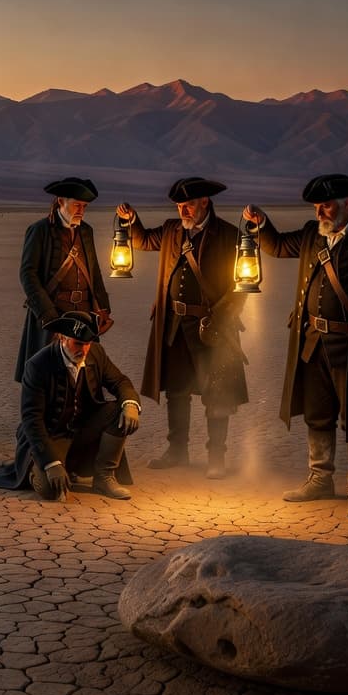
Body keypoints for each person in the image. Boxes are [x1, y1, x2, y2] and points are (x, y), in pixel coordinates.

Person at [242, 174, 348, 518]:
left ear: (347, 203)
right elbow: (277, 246)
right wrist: (262, 223)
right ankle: (320, 478)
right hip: (312, 340)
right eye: (316, 206)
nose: (320, 212)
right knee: (318, 413)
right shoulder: (311, 234)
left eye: (326, 205)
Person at [116, 177, 246, 479]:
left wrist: (220, 318)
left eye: (188, 204)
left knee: (217, 393)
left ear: (204, 202)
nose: (182, 210)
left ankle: (216, 456)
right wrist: (131, 221)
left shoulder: (228, 235)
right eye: (179, 205)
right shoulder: (172, 229)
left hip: (212, 328)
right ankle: (178, 451)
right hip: (173, 325)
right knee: (177, 391)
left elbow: (243, 284)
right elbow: (144, 240)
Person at [0, 311, 140, 501]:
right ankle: (39, 470)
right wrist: (50, 463)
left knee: (119, 409)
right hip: (51, 435)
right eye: (78, 343)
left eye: (88, 343)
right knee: (51, 490)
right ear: (61, 338)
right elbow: (31, 420)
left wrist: (130, 404)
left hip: (83, 429)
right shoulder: (38, 365)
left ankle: (104, 477)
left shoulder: (96, 353)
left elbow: (120, 381)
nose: (83, 350)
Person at [14, 177, 113, 382]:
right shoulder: (40, 230)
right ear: (61, 201)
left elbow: (94, 273)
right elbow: (28, 274)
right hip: (54, 312)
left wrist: (103, 307)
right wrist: (47, 313)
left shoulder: (86, 231)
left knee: (85, 375)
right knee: (48, 375)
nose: (81, 211)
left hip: (84, 312)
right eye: (77, 205)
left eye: (84, 206)